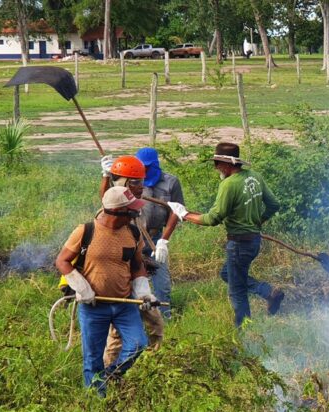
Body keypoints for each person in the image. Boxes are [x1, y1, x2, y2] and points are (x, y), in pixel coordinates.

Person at [166, 142, 284, 327]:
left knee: (236, 291)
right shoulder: (255, 177)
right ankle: (267, 292)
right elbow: (274, 204)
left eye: (217, 163)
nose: (216, 168)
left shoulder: (228, 185)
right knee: (227, 273)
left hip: (239, 244)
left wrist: (185, 214)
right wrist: (257, 222)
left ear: (228, 164)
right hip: (254, 241)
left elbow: (213, 218)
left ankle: (244, 331)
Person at [55, 186, 156, 393]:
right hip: (94, 307)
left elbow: (137, 266)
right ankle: (96, 400)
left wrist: (144, 291)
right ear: (117, 213)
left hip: (124, 304)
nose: (136, 214)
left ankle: (110, 375)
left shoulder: (133, 232)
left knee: (138, 344)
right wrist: (81, 287)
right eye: (131, 211)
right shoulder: (85, 231)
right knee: (92, 358)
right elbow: (63, 261)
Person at [97, 154, 165, 366]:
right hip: (120, 281)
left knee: (156, 324)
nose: (141, 186)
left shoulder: (134, 205)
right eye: (135, 182)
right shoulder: (111, 211)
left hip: (136, 275)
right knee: (117, 336)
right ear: (124, 182)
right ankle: (110, 374)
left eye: (142, 181)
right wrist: (107, 177)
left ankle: (153, 368)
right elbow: (107, 199)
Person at [134, 147, 184, 319]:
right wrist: (108, 175)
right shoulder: (133, 182)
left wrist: (164, 241)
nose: (144, 171)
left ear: (155, 165)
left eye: (147, 167)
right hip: (133, 238)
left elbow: (176, 211)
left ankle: (165, 320)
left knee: (162, 284)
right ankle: (135, 319)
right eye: (141, 167)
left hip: (156, 239)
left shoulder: (171, 182)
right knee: (130, 282)